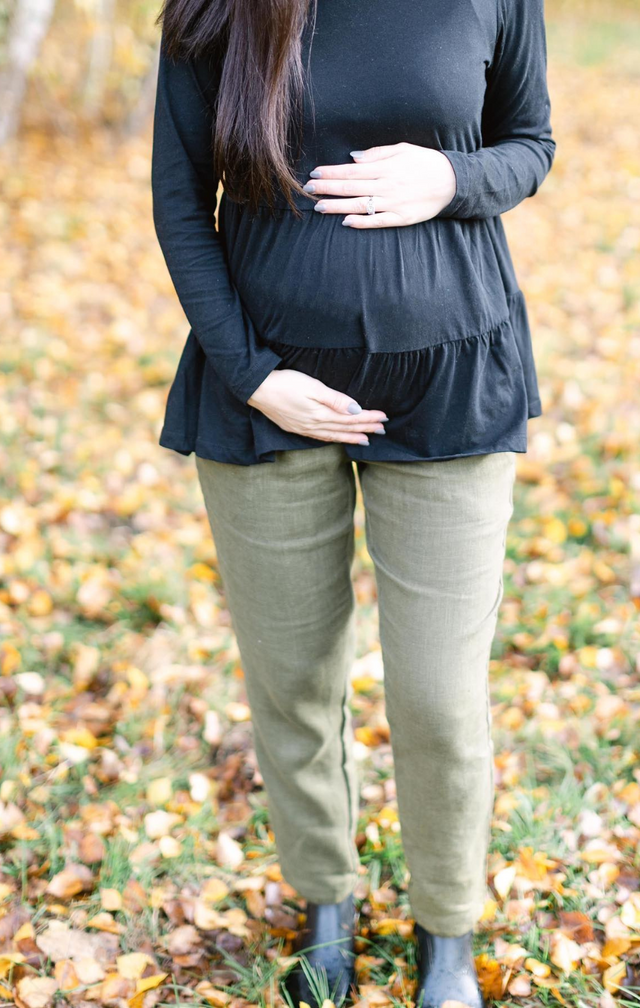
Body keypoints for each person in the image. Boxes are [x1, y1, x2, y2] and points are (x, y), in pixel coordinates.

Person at [150, 0, 555, 1003]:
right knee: (293, 682)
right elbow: (177, 197)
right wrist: (250, 375)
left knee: (440, 699)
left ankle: (447, 933)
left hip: (453, 383)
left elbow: (532, 143)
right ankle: (327, 901)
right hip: (269, 396)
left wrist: (454, 176)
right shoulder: (220, 7)